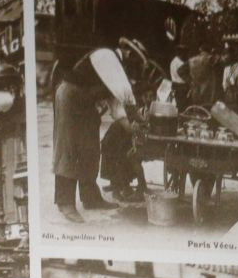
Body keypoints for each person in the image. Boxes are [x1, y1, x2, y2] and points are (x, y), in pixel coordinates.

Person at [51, 38, 159, 221]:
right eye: (134, 62)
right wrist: (134, 115)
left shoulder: (115, 71)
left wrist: (135, 126)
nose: (133, 67)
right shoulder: (106, 56)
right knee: (68, 148)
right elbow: (124, 92)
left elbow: (117, 106)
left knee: (90, 149)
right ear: (128, 53)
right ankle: (65, 203)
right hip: (70, 96)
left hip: (86, 102)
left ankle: (90, 197)